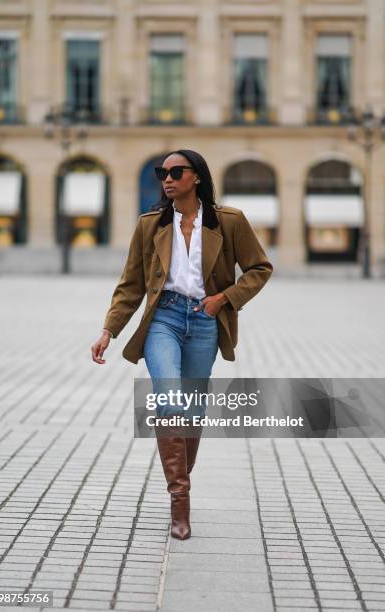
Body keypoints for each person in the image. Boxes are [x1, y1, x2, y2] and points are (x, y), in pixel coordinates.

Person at [91, 149, 273, 540]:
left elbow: (260, 268)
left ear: (197, 177)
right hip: (165, 318)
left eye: (177, 171)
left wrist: (224, 299)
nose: (167, 178)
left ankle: (178, 480)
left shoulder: (229, 222)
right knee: (170, 399)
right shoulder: (150, 225)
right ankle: (180, 500)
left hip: (206, 321)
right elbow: (131, 284)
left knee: (190, 410)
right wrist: (110, 329)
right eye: (162, 172)